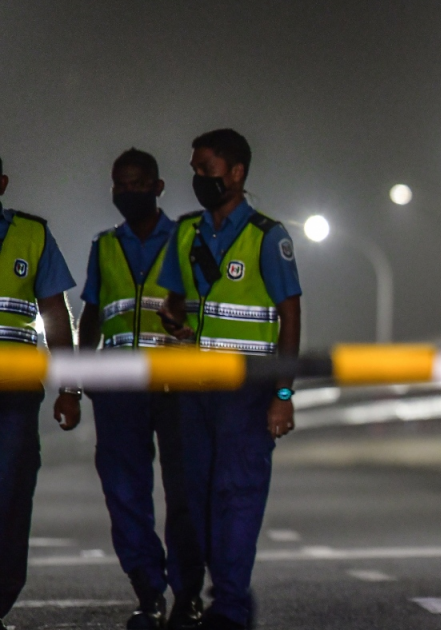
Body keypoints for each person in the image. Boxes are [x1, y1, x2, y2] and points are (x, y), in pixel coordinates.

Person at [157, 129, 301, 630]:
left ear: (236, 173)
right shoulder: (187, 233)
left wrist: (283, 395)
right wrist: (173, 318)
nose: (198, 178)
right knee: (195, 496)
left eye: (207, 169)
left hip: (247, 390)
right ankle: (208, 597)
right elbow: (175, 301)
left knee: (236, 494)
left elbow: (290, 316)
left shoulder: (267, 235)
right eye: (194, 170)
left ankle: (232, 606)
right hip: (195, 389)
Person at [78, 148, 206, 629]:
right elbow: (92, 313)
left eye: (137, 183)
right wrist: (75, 380)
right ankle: (149, 591)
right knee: (124, 492)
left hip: (178, 384)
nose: (127, 192)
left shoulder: (190, 240)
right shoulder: (104, 245)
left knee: (185, 492)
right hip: (119, 389)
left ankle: (188, 594)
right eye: (119, 184)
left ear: (158, 187)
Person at [0, 154, 82, 630]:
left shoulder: (32, 235)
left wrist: (68, 386)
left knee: (10, 496)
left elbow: (56, 314)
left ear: (3, 182)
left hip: (14, 397)